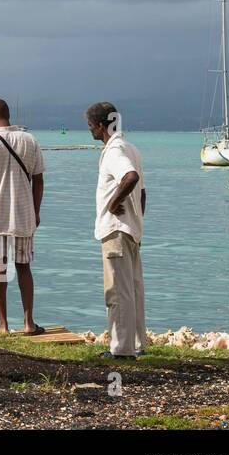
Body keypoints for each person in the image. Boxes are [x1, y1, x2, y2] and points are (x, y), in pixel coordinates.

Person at [85, 101, 146, 358]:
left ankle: (121, 350)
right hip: (131, 230)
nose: (89, 130)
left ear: (101, 126)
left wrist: (113, 204)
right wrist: (136, 217)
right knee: (132, 290)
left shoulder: (114, 151)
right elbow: (142, 192)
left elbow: (130, 178)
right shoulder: (131, 148)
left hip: (115, 232)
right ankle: (136, 343)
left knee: (117, 293)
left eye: (90, 125)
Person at [0, 98, 45, 335]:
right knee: (24, 267)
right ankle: (29, 323)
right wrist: (36, 210)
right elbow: (39, 179)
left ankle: (3, 324)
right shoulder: (30, 140)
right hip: (24, 214)